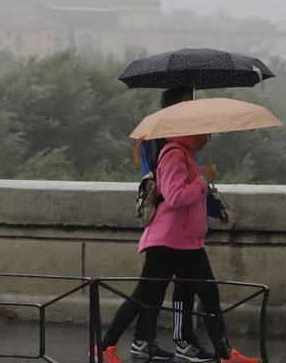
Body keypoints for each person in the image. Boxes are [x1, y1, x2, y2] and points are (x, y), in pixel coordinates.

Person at [97, 129, 259, 362]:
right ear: (192, 133)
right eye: (206, 134)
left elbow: (192, 195)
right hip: (168, 242)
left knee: (208, 294)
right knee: (144, 296)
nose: (209, 138)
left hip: (186, 242)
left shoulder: (186, 154)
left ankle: (225, 354)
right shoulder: (174, 154)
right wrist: (204, 179)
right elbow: (175, 197)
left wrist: (212, 200)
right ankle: (105, 348)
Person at [129, 88, 229, 362]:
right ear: (176, 106)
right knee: (166, 289)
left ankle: (141, 340)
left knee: (155, 289)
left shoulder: (173, 141)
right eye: (189, 102)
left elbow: (189, 183)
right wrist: (204, 184)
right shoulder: (167, 143)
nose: (193, 109)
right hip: (171, 231)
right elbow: (174, 190)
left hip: (176, 230)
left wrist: (214, 205)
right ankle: (182, 341)